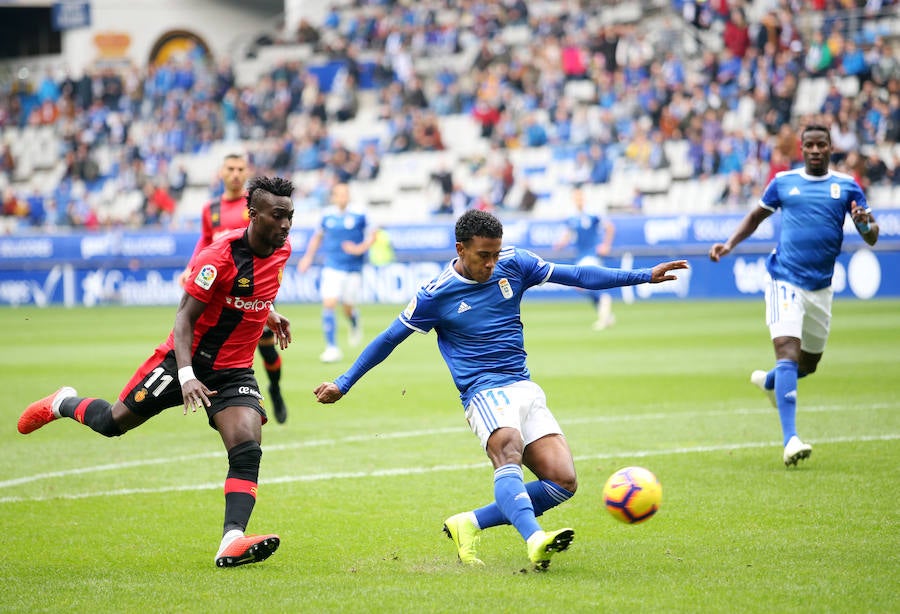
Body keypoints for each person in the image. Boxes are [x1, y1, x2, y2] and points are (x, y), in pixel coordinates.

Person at [313, 209, 688, 570]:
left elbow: (576, 274)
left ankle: (469, 523)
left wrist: (642, 276)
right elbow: (388, 339)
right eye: (482, 256)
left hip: (523, 386)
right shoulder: (435, 294)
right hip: (483, 391)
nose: (491, 264)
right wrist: (343, 383)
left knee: (562, 481)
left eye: (495, 254)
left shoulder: (515, 262)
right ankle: (535, 538)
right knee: (508, 449)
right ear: (460, 250)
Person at [19, 176, 297, 568]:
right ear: (253, 214)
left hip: (234, 371)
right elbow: (184, 319)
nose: (286, 224)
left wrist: (269, 313)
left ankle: (232, 539)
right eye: (278, 215)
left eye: (290, 216)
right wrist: (185, 375)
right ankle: (63, 402)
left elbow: (250, 292)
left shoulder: (282, 250)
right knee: (113, 422)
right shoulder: (218, 257)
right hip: (181, 363)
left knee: (247, 447)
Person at [709, 124, 879, 467]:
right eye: (810, 145)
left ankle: (772, 382)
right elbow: (756, 216)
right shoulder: (784, 183)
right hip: (783, 278)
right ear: (802, 149)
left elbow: (872, 235)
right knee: (787, 349)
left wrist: (863, 223)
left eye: (822, 145)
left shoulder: (847, 186)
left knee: (808, 364)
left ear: (831, 148)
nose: (815, 150)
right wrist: (729, 244)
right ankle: (791, 440)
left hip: (821, 288)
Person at [179, 153, 289, 424]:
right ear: (222, 172)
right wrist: (191, 267)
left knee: (266, 347)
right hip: (220, 290)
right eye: (231, 168)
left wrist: (269, 306)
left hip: (253, 294)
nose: (236, 174)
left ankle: (274, 387)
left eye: (241, 169)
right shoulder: (211, 209)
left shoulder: (255, 207)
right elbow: (205, 241)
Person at [297, 181, 376, 363]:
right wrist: (308, 257)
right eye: (339, 194)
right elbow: (317, 237)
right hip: (332, 266)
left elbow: (374, 234)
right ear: (333, 197)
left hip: (353, 268)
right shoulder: (326, 215)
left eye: (345, 194)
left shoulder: (360, 213)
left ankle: (354, 320)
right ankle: (332, 348)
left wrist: (360, 248)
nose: (342, 197)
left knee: (347, 307)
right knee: (329, 303)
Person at [553, 187, 617, 330]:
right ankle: (606, 313)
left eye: (580, 197)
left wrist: (606, 245)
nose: (579, 200)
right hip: (580, 255)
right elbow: (569, 234)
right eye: (576, 198)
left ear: (584, 198)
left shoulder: (593, 214)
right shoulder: (571, 217)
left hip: (592, 254)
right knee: (582, 286)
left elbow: (610, 227)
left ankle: (604, 305)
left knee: (582, 283)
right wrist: (561, 243)